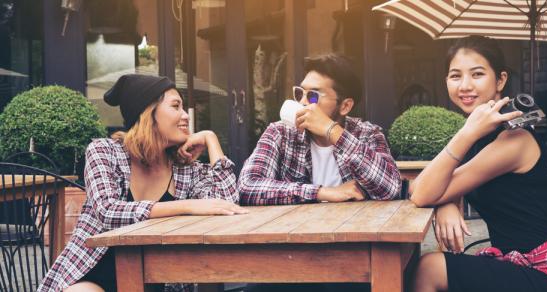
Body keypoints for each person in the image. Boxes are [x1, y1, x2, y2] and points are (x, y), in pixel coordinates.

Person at [410, 35, 547, 292]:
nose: (464, 85)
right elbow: (424, 187)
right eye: (455, 76)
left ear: (500, 80)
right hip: (515, 263)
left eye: (477, 74)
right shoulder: (480, 134)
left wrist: (465, 135)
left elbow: (423, 192)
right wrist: (447, 203)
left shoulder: (513, 139)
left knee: (429, 268)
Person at [39, 74, 247, 292]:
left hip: (159, 282)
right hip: (92, 274)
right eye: (176, 106)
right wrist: (188, 206)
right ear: (148, 113)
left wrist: (211, 139)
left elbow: (227, 204)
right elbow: (107, 210)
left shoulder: (185, 170)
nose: (186, 116)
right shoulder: (105, 152)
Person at [238, 53, 402, 206]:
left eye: (313, 96)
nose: (302, 102)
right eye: (300, 93)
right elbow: (247, 186)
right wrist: (322, 193)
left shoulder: (367, 134)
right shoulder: (280, 133)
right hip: (297, 232)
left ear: (345, 106)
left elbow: (392, 188)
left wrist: (332, 130)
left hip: (353, 232)